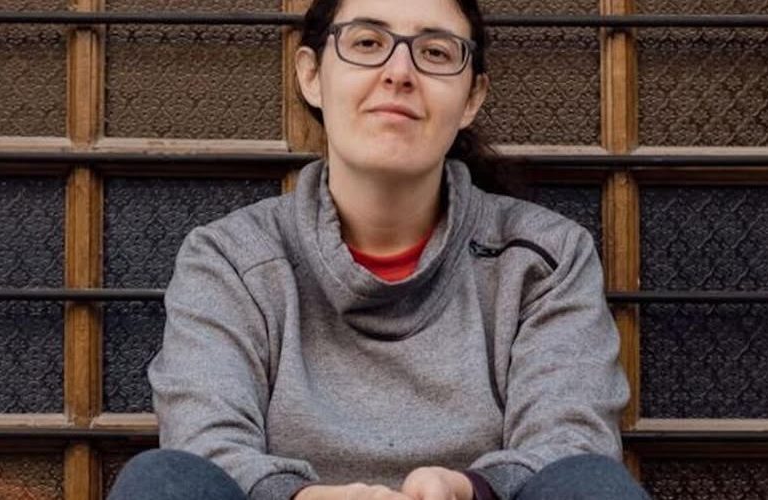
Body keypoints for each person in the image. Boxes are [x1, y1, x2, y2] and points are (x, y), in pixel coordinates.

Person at [108, 0, 650, 498]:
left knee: (591, 484)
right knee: (162, 479)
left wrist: (468, 489)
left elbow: (572, 440)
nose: (399, 72)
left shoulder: (546, 257)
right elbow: (205, 443)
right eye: (367, 43)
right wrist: (305, 497)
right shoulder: (229, 258)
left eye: (435, 52)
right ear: (311, 76)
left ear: (472, 98)